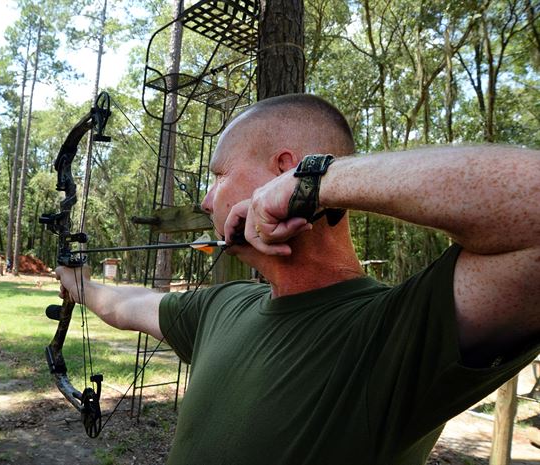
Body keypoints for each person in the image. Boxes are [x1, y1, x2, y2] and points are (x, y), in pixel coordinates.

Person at [56, 94, 540, 464]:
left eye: (219, 174)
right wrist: (78, 283)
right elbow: (126, 305)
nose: (206, 201)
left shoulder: (395, 334)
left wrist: (315, 182)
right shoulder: (221, 307)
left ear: (282, 169)